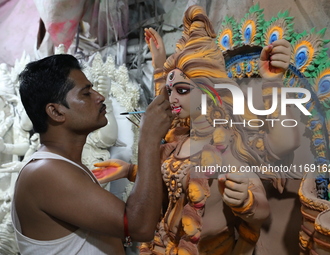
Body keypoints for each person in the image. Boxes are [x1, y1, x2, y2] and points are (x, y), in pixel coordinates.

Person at [93, 5, 300, 254]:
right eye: (170, 92)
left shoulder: (229, 143)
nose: (172, 99)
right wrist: (129, 170)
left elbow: (281, 152)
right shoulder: (178, 141)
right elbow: (166, 178)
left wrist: (246, 201)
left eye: (181, 90)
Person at [11, 54, 172, 255]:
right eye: (86, 93)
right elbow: (139, 226)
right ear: (56, 112)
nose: (99, 96)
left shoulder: (64, 166)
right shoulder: (45, 172)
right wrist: (148, 139)